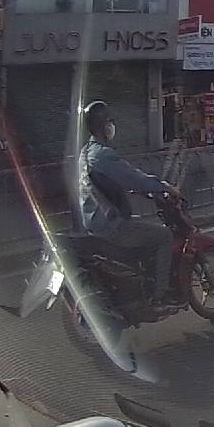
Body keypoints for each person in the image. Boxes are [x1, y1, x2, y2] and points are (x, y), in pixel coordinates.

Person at [78, 101, 179, 301]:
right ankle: (160, 293)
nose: (112, 126)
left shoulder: (86, 152)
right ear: (103, 126)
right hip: (112, 226)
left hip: (94, 223)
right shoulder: (103, 155)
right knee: (164, 235)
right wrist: (164, 187)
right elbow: (134, 177)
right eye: (110, 122)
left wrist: (140, 191)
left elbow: (109, 182)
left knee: (141, 226)